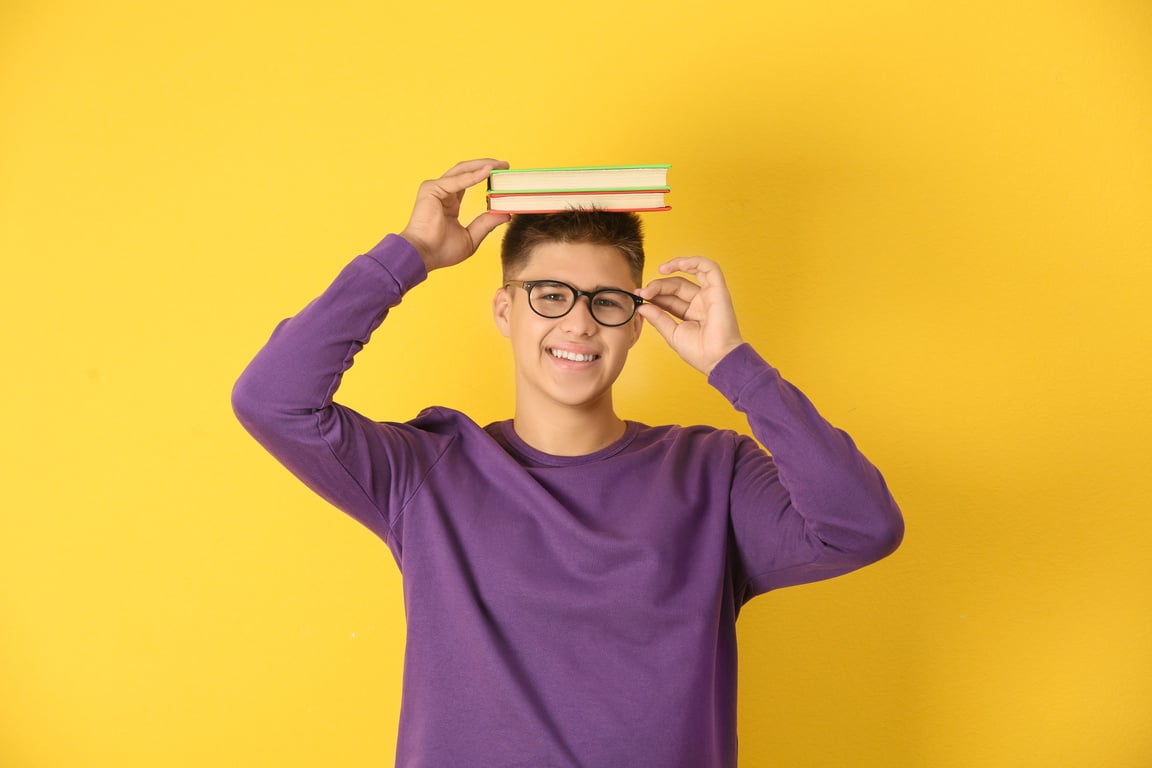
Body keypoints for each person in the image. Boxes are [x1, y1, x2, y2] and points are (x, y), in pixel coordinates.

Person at [232, 158, 904, 767]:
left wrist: (734, 366)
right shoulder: (429, 471)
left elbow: (862, 526)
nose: (579, 324)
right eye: (550, 295)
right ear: (505, 310)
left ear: (637, 323)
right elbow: (273, 399)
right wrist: (406, 256)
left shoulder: (711, 473)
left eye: (607, 303)